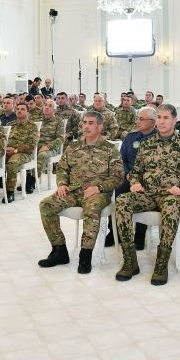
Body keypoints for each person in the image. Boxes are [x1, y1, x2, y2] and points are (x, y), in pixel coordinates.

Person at [114, 104, 180, 286]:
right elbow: (135, 171)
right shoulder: (146, 144)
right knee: (122, 200)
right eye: (159, 118)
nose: (161, 122)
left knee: (171, 205)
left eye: (165, 118)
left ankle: (161, 264)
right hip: (148, 194)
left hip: (173, 196)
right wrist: (135, 182)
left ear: (174, 120)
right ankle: (130, 261)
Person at [38, 111, 124, 274]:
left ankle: (85, 256)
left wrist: (98, 188)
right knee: (46, 205)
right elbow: (62, 168)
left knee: (91, 209)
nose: (86, 126)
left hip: (97, 193)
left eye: (91, 123)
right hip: (73, 191)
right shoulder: (73, 147)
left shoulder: (110, 149)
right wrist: (62, 183)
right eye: (84, 122)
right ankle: (59, 250)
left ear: (100, 127)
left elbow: (118, 177)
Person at [118, 107, 159, 251]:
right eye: (137, 118)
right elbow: (121, 159)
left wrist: (142, 178)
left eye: (141, 119)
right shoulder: (131, 136)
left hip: (148, 179)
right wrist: (128, 173)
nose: (138, 121)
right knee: (117, 191)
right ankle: (115, 231)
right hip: (129, 175)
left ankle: (140, 235)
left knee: (141, 193)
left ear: (153, 122)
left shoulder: (159, 138)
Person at [3, 102, 40, 202]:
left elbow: (32, 145)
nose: (19, 111)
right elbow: (3, 140)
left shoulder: (32, 126)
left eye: (22, 109)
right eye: (18, 109)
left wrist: (15, 150)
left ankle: (10, 192)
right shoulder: (10, 125)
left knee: (12, 163)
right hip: (7, 151)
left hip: (24, 153)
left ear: (28, 112)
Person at [32, 100, 64, 194]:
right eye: (45, 105)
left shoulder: (59, 121)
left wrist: (48, 146)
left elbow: (61, 138)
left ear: (54, 109)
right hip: (37, 146)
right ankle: (28, 177)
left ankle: (33, 180)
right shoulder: (38, 121)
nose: (46, 107)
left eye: (50, 106)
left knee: (41, 155)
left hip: (52, 148)